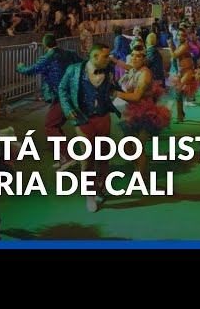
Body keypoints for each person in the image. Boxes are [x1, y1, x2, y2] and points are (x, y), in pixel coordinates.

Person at [58, 44, 120, 213]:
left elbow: (113, 88)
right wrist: (68, 109)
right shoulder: (73, 70)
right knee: (87, 158)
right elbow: (62, 89)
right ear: (95, 57)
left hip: (103, 117)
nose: (109, 59)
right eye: (106, 56)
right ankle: (89, 194)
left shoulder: (109, 69)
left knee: (104, 155)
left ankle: (102, 187)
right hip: (82, 119)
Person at [17, 33, 82, 170]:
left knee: (50, 125)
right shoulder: (70, 53)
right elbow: (81, 64)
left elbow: (30, 70)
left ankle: (68, 157)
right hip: (71, 93)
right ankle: (63, 157)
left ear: (45, 45)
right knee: (55, 125)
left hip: (61, 96)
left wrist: (20, 67)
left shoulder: (48, 57)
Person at [112, 48, 171, 176]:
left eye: (138, 56)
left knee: (138, 148)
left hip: (146, 114)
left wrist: (115, 93)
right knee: (126, 147)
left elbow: (136, 96)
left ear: (143, 59)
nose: (134, 58)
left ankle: (143, 177)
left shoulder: (145, 73)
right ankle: (139, 166)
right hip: (132, 112)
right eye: (132, 55)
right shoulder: (134, 70)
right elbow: (126, 67)